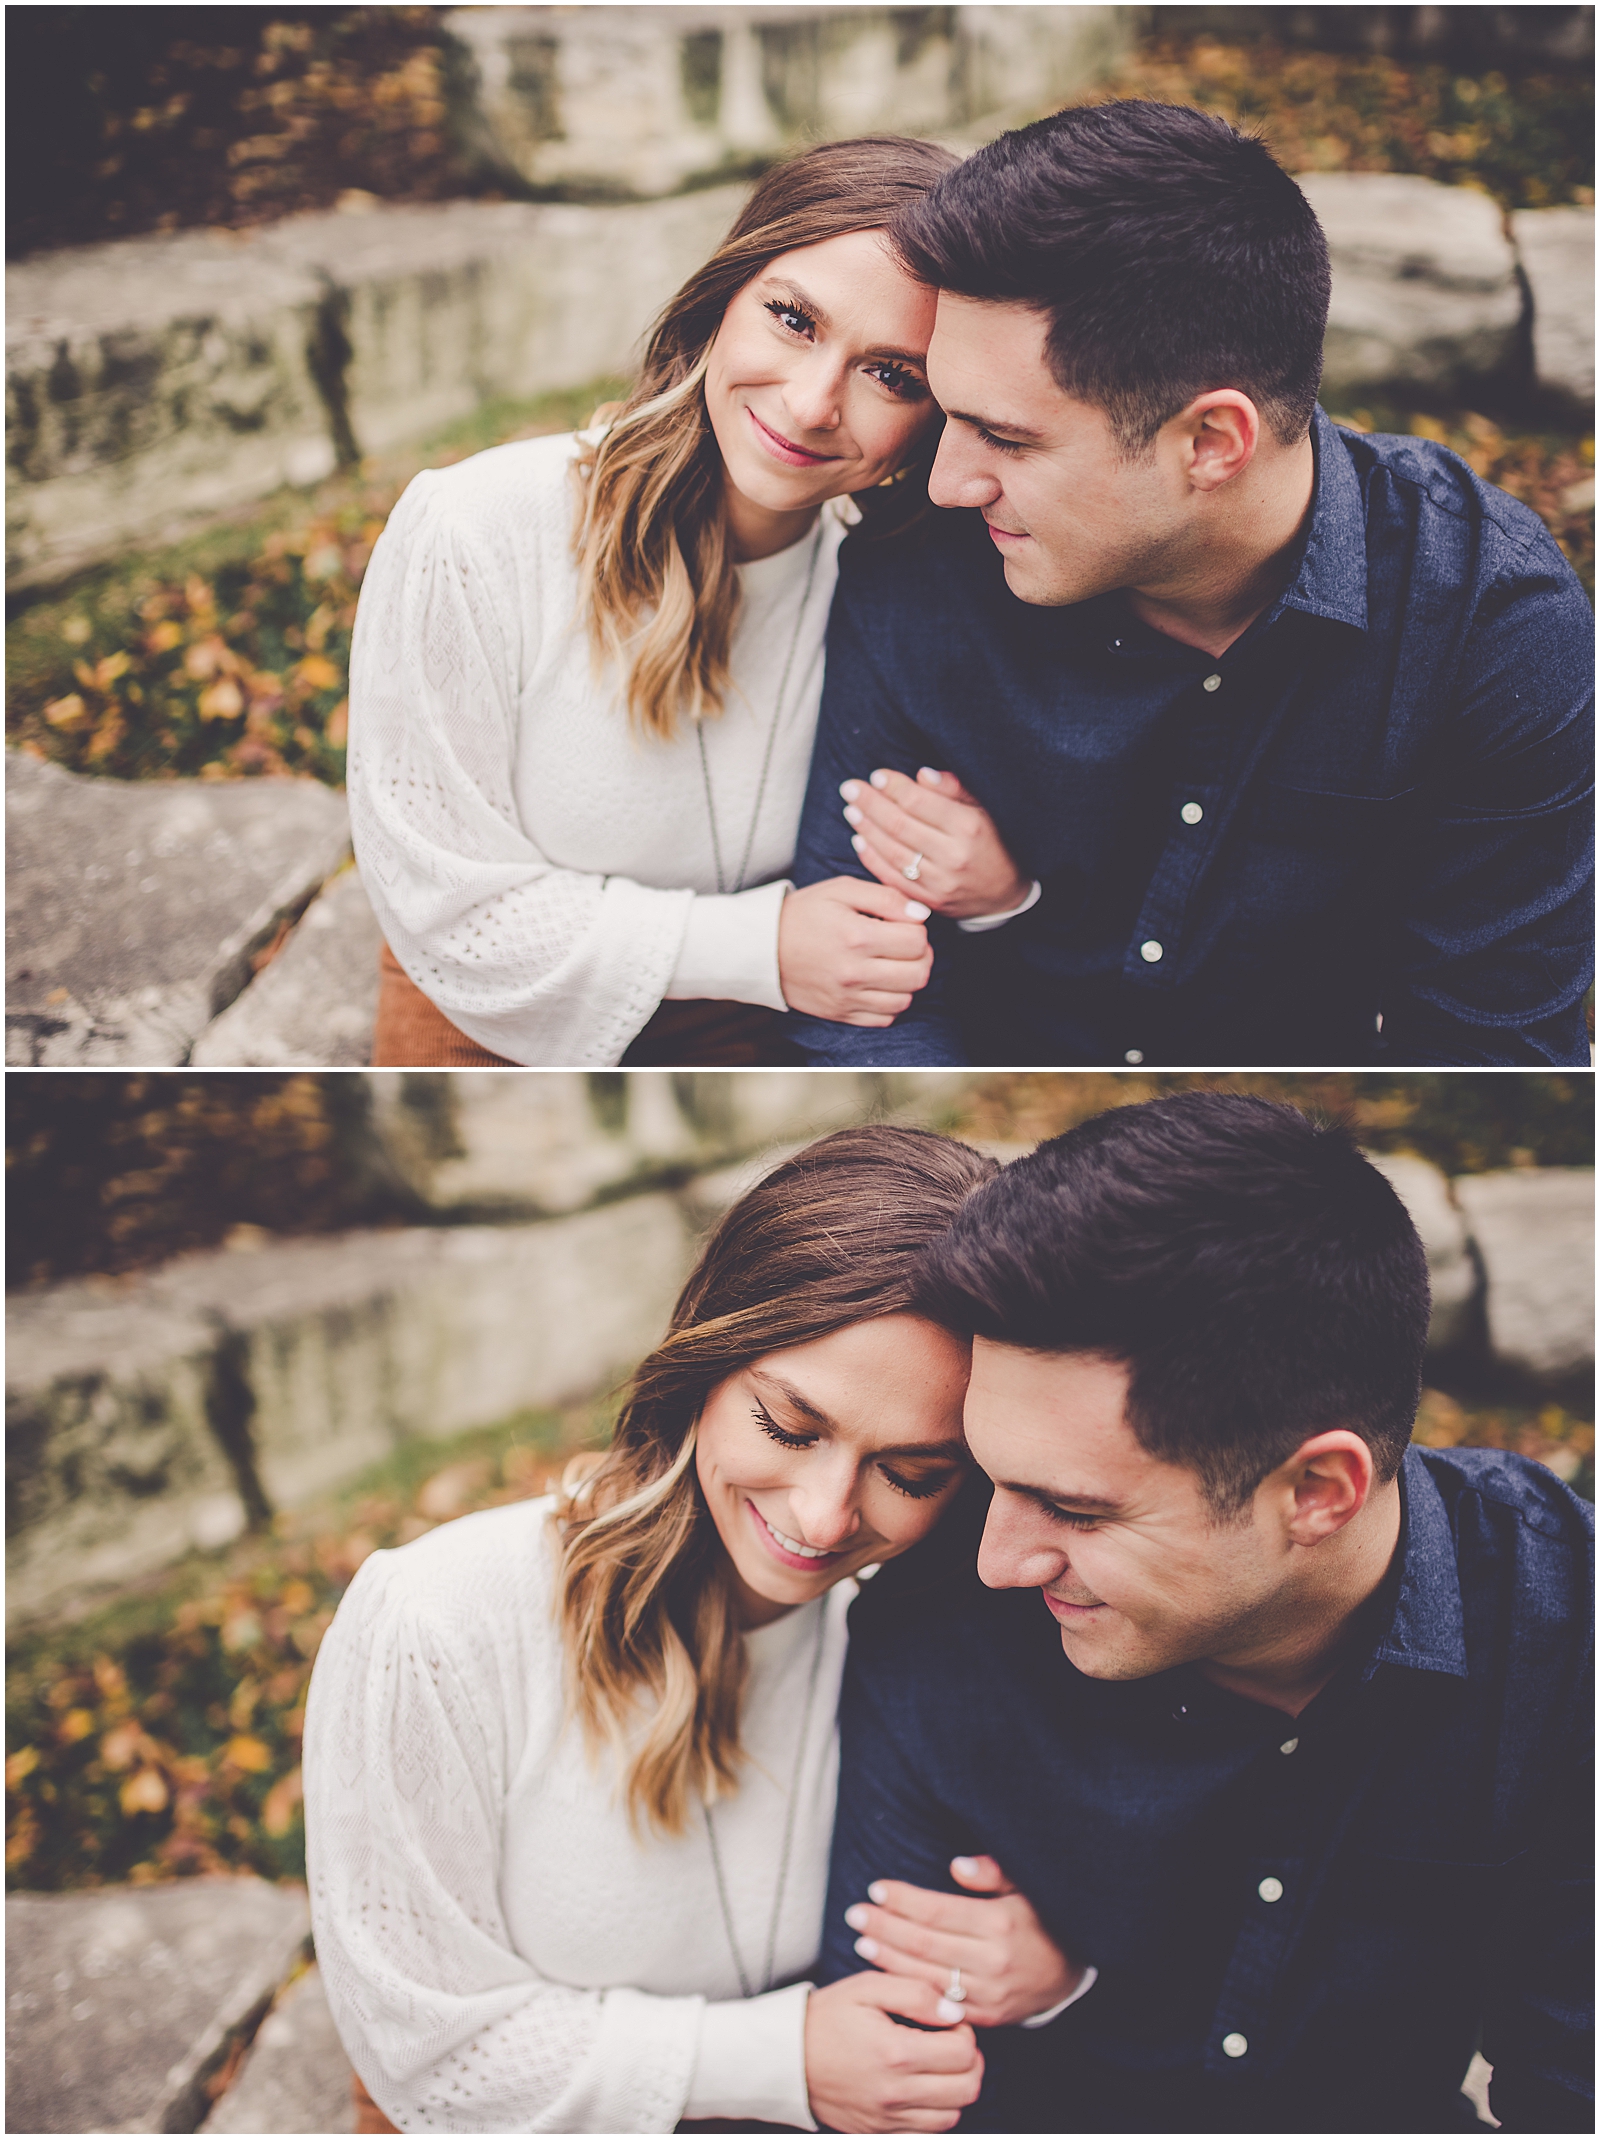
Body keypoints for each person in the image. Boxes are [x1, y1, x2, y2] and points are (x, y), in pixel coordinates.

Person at [817, 1091, 1594, 2133]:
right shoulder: (937, 1623)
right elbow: (899, 2083)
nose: (997, 1560)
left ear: (1317, 1491)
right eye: (991, 1476)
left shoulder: (1561, 1638)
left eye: (1075, 1509)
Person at [303, 1124, 1082, 2134]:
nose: (823, 1518)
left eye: (910, 1474)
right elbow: (426, 2059)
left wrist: (1057, 1964)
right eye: (788, 1427)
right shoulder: (438, 1621)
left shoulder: (937, 1636)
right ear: (705, 1361)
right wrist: (780, 2059)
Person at [788, 100, 1595, 1068]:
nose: (949, 483)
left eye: (1003, 436)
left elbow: (1491, 1044)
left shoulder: (1488, 629)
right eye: (947, 411)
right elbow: (865, 1003)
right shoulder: (918, 566)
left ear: (1211, 443)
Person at [346, 137, 1032, 1068]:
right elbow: (445, 909)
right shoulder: (474, 529)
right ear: (721, 303)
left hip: (775, 1044)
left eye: (890, 374)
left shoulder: (914, 591)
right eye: (793, 319)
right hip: (500, 1037)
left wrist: (998, 890)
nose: (808, 402)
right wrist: (763, 947)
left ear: (935, 420)